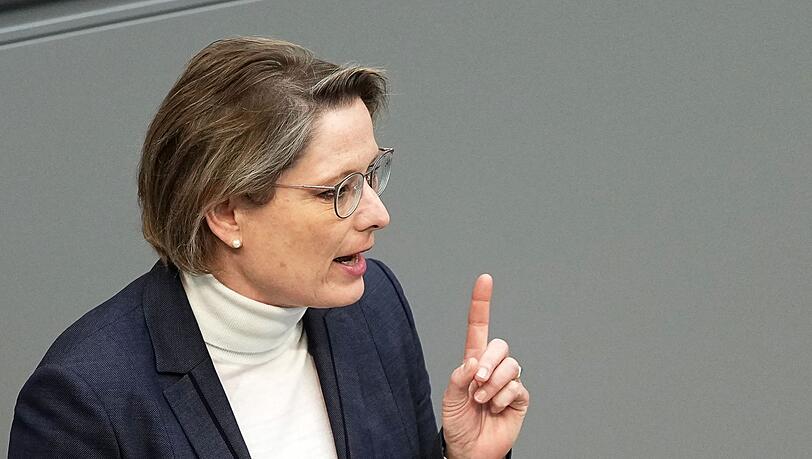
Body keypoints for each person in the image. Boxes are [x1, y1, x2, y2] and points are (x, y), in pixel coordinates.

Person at [9, 37, 529, 458]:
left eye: (372, 174)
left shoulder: (373, 306)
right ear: (226, 213)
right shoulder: (84, 401)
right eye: (338, 190)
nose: (378, 213)